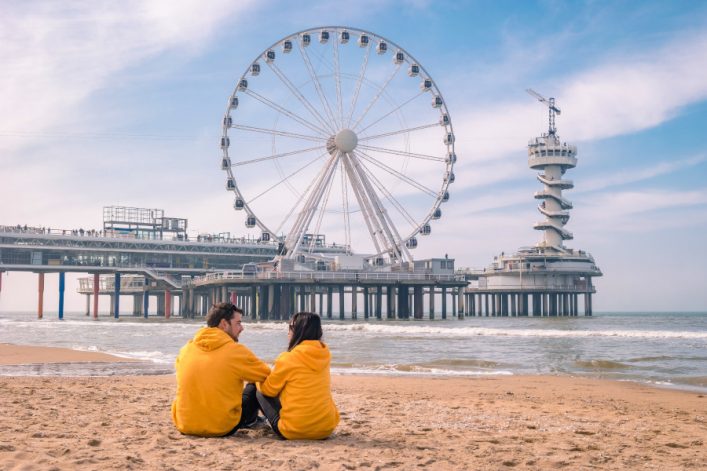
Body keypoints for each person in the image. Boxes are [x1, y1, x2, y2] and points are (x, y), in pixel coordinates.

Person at [171, 302, 270, 437]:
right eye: (238, 323)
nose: (242, 328)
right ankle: (252, 420)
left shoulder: (186, 349)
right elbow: (266, 374)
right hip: (222, 427)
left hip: (185, 425)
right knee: (254, 384)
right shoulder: (235, 351)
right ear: (224, 324)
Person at [256, 312, 339, 440]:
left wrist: (258, 379)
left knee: (258, 389)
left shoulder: (288, 358)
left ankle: (249, 421)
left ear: (298, 331)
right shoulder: (324, 355)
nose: (288, 332)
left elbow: (268, 390)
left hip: (294, 430)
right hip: (325, 429)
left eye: (290, 327)